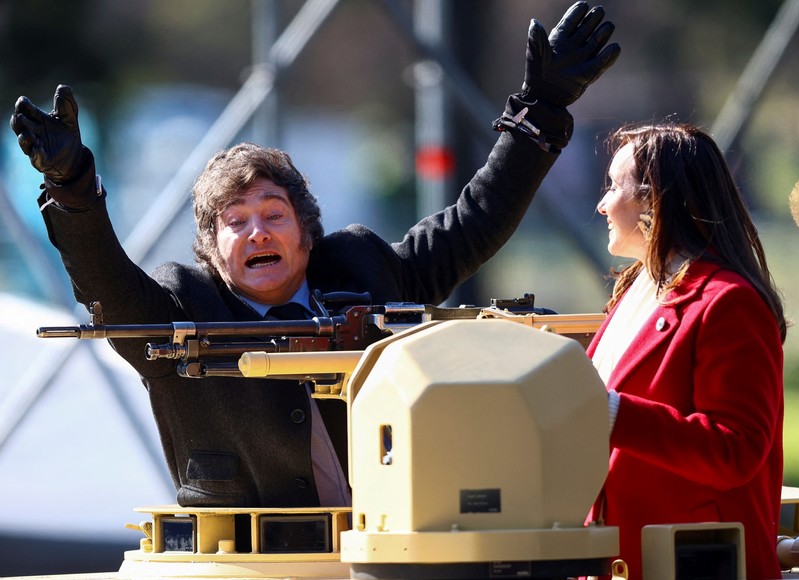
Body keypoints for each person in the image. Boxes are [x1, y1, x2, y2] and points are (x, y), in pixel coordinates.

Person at [10, 3, 620, 509]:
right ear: (211, 251)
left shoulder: (361, 267)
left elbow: (474, 222)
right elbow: (104, 285)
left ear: (306, 233)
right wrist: (72, 187)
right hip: (249, 565)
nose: (257, 234)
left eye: (274, 215)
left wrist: (543, 105)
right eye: (235, 223)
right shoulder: (180, 305)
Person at [588, 122, 787, 579]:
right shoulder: (635, 290)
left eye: (614, 187)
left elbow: (735, 448)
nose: (602, 204)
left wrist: (613, 413)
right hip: (624, 557)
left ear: (654, 200)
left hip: (697, 563)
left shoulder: (728, 302)